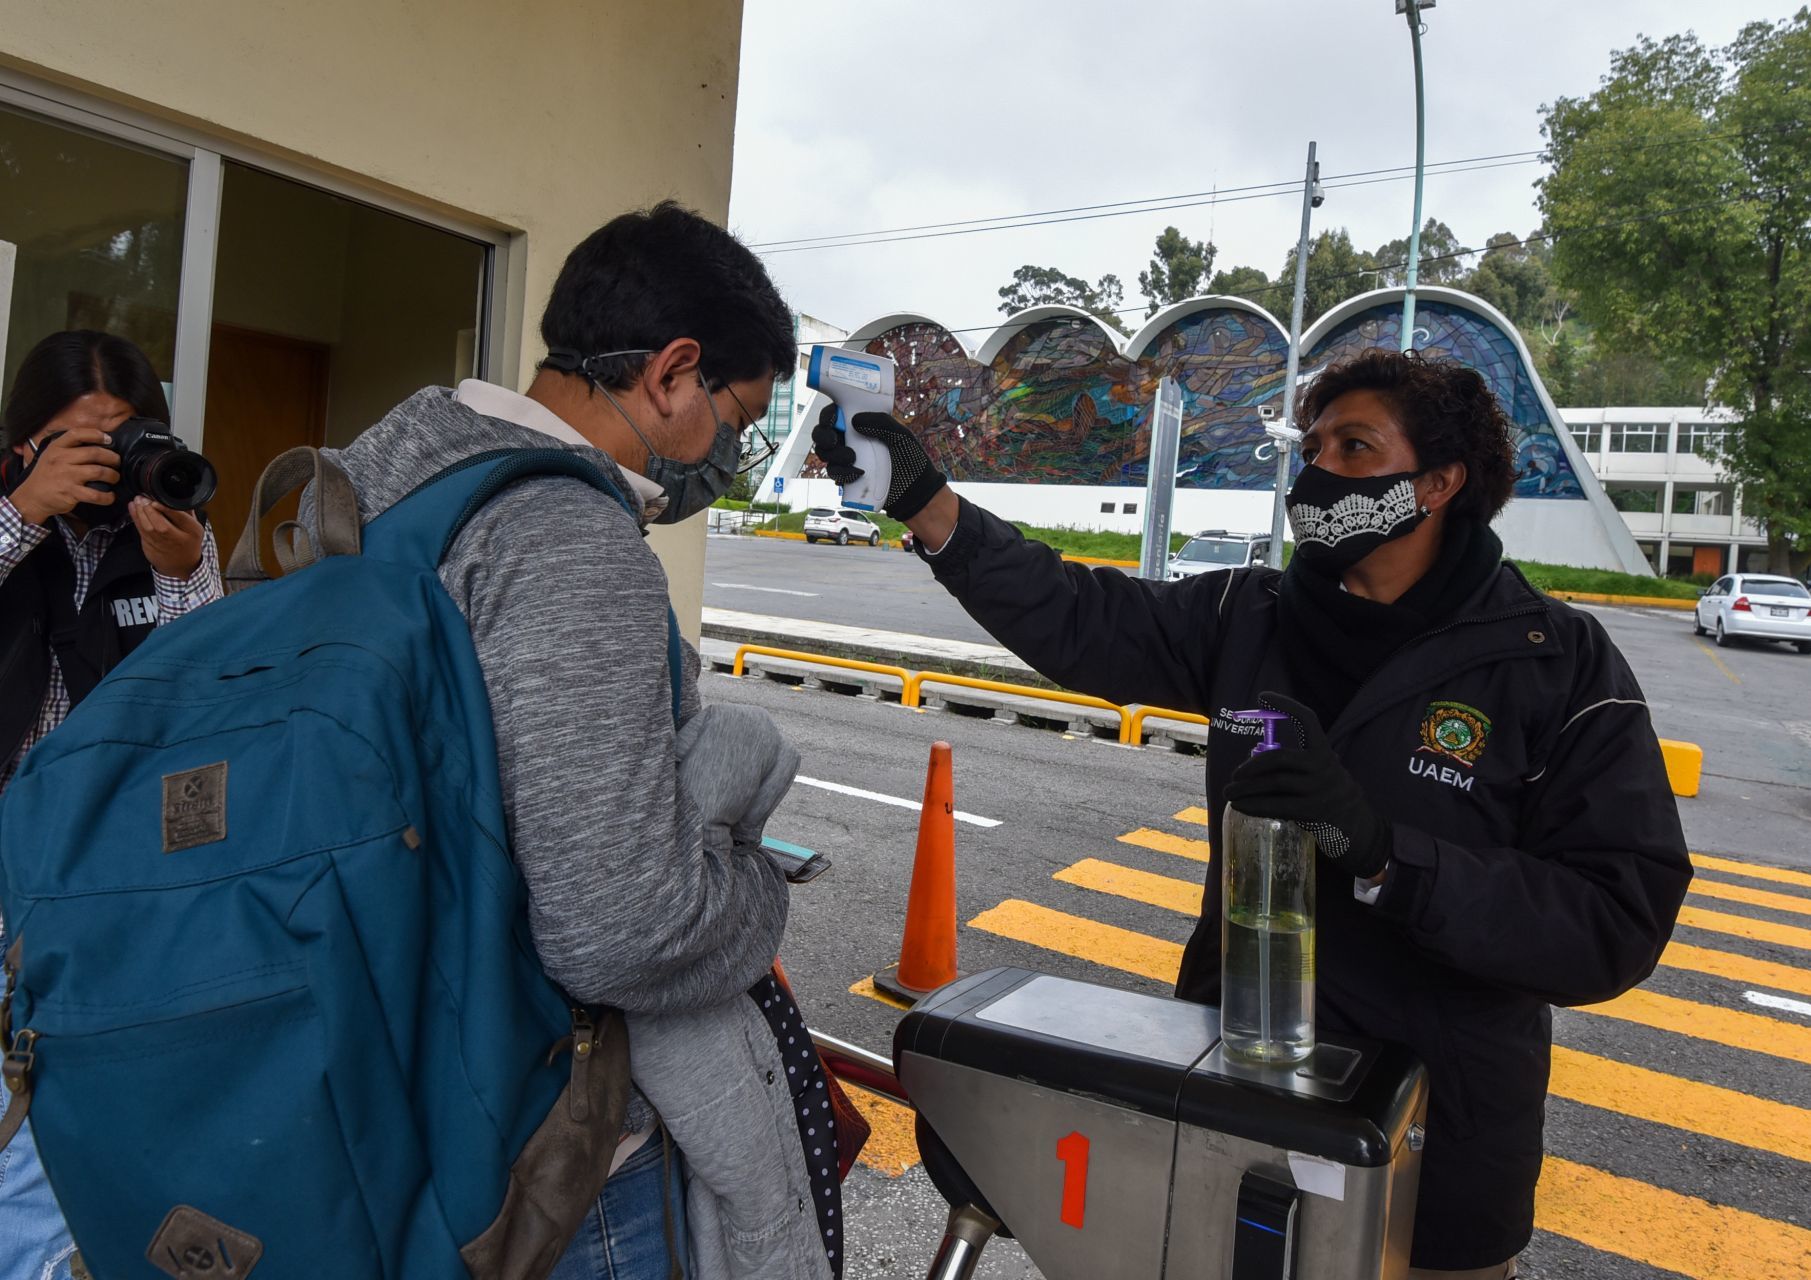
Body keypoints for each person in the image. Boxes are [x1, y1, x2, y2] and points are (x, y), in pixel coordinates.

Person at [814, 348, 1692, 1279]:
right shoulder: (1250, 615)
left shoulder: (1554, 662)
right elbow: (1077, 616)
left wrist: (1387, 857)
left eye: (1354, 448)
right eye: (1312, 446)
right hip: (1233, 1121)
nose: (1316, 472)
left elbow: (1615, 920)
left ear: (1439, 481)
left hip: (1434, 1164)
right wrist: (924, 500)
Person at [316, 201, 837, 1280]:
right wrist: (753, 888)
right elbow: (618, 931)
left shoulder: (363, 477)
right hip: (545, 1173)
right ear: (672, 372)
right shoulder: (568, 538)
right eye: (731, 419)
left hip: (371, 1101)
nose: (723, 458)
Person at [0, 330, 224, 1280]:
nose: (106, 463)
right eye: (76, 443)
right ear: (22, 445)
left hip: (116, 881)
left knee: (84, 1102)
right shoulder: (7, 511)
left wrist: (185, 579)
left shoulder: (165, 534)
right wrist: (18, 514)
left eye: (124, 438)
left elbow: (216, 697)